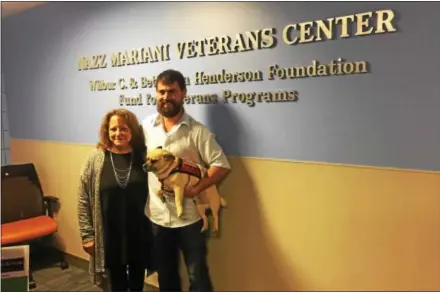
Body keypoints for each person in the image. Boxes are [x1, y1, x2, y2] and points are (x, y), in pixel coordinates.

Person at [142, 69, 232, 292]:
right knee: (166, 275)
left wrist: (197, 188)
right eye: (161, 92)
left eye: (172, 91)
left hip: (190, 220)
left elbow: (221, 165)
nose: (166, 97)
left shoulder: (197, 131)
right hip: (157, 217)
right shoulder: (146, 126)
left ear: (183, 93)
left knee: (197, 277)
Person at [77, 108, 153, 292]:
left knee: (137, 282)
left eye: (123, 128)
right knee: (115, 284)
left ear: (132, 131)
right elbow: (83, 198)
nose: (118, 133)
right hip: (109, 235)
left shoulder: (144, 156)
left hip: (139, 233)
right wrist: (87, 235)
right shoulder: (95, 159)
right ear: (106, 131)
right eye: (113, 129)